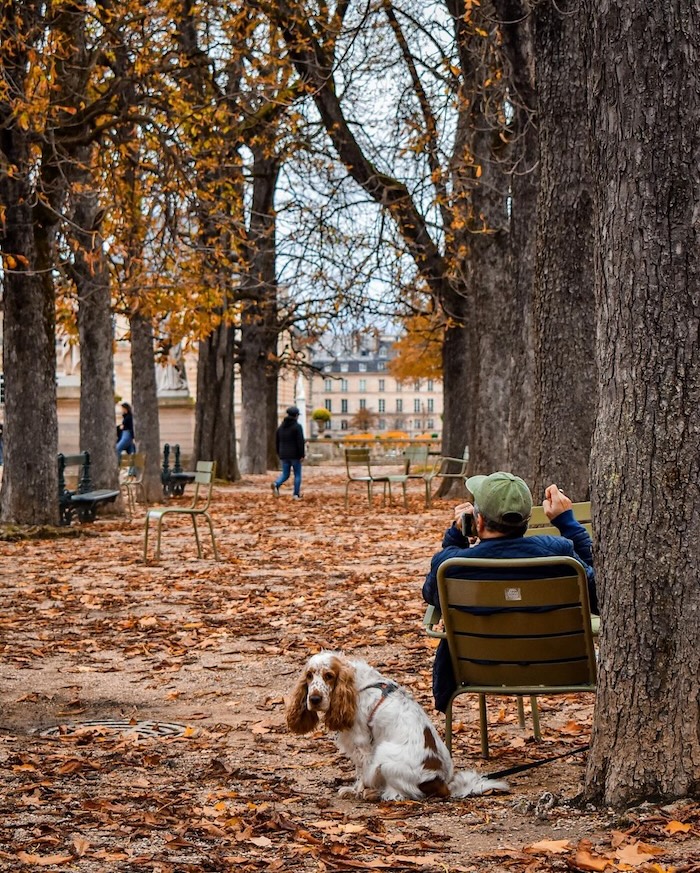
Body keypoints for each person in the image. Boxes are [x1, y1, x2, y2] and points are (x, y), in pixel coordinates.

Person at [422, 471, 598, 713]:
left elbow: (432, 595)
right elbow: (601, 597)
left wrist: (455, 537)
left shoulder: (452, 566)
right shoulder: (560, 556)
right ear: (526, 521)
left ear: (479, 522)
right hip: (559, 665)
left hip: (480, 668)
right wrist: (567, 523)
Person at [271, 406, 305, 499]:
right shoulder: (297, 427)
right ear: (296, 416)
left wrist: (279, 452)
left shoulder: (280, 428)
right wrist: (302, 454)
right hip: (295, 455)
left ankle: (276, 483)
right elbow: (300, 442)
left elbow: (277, 441)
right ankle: (296, 494)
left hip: (283, 454)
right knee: (297, 474)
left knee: (285, 474)